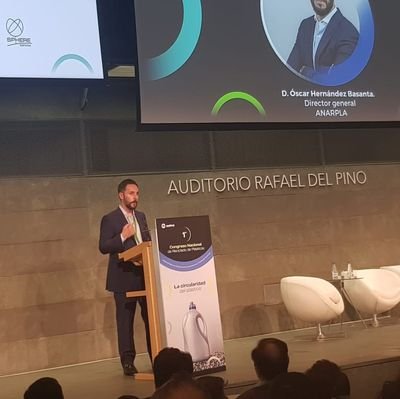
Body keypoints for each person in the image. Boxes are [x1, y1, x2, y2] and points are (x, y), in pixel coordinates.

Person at [99, 178, 152, 375]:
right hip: (122, 278)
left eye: (137, 193)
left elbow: (147, 241)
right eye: (131, 193)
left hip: (145, 276)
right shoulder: (110, 219)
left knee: (150, 318)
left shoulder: (142, 216)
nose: (135, 197)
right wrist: (122, 236)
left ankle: (156, 357)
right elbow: (103, 246)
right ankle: (128, 362)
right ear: (121, 195)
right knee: (125, 321)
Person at [287, 0, 359, 78]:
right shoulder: (305, 25)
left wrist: (306, 72)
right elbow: (290, 70)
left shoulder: (348, 32)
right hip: (300, 90)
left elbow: (338, 77)